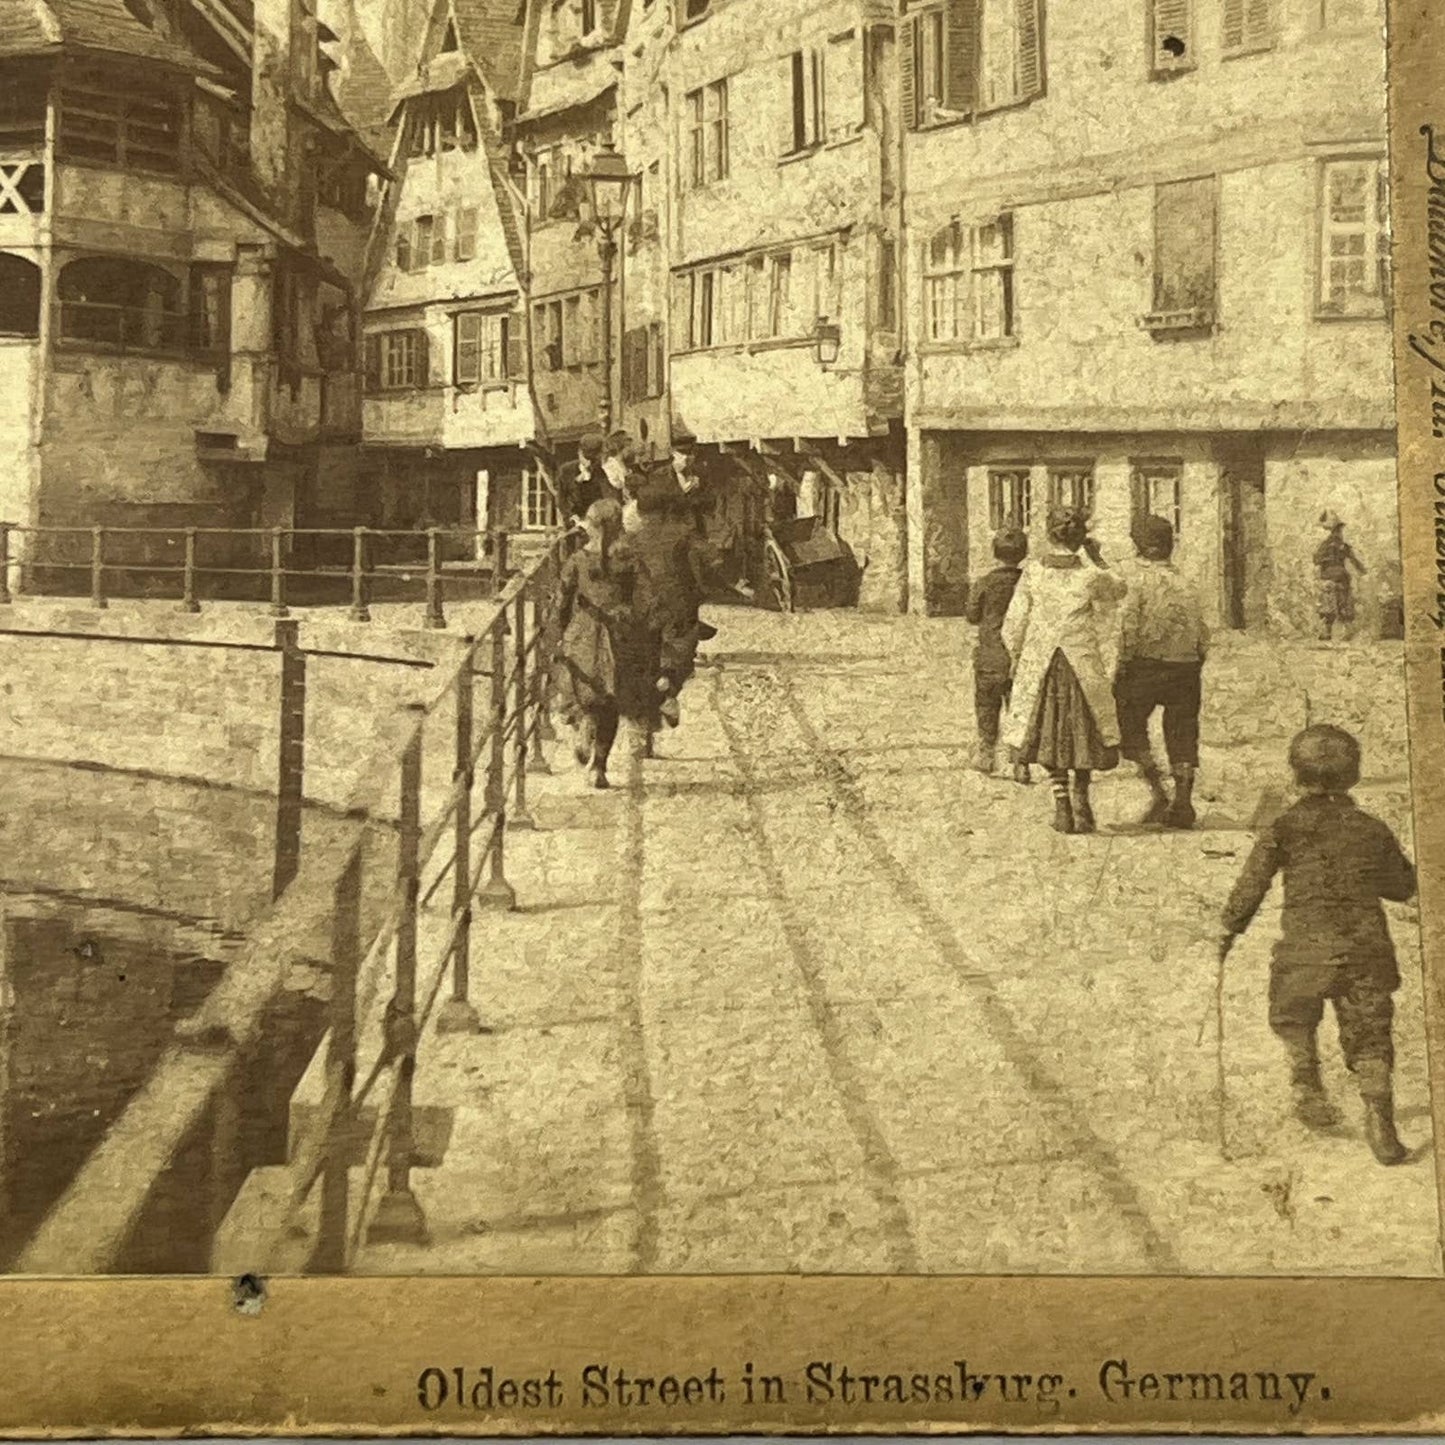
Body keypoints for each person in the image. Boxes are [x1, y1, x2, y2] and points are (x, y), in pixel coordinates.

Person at [1218, 724, 1416, 1165]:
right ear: (1356, 775)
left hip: (1305, 951)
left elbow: (1253, 884)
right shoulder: (1370, 829)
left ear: (1295, 775)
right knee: (1370, 1035)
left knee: (1292, 1014)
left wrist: (1230, 927)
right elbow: (1402, 885)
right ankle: (1379, 1116)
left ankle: (1307, 1085)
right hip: (1365, 950)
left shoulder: (1284, 826)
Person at [1000, 506, 1128, 834]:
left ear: (1048, 534)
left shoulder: (1033, 572)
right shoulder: (1091, 575)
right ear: (1081, 538)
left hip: (1043, 663)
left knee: (1049, 735)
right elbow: (1119, 591)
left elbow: (1014, 623)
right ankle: (1082, 796)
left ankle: (1061, 805)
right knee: (1083, 733)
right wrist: (1097, 558)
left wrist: (1017, 655)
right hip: (1080, 663)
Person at [551, 499, 659, 789]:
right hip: (620, 635)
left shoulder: (577, 560)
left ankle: (583, 723)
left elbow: (562, 600)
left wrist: (561, 632)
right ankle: (599, 765)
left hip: (583, 633)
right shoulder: (630, 560)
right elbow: (648, 599)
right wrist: (633, 620)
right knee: (611, 703)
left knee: (580, 687)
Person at [1113, 513, 1209, 829]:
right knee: (1182, 731)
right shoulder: (1187, 581)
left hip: (1145, 664)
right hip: (1186, 666)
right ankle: (1183, 801)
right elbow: (1203, 633)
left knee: (1129, 725)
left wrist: (1122, 663)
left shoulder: (1133, 581)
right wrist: (1193, 659)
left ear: (1141, 546)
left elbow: (1127, 625)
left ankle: (1158, 791)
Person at [964, 526, 1030, 783]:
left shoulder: (985, 582)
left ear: (994, 553)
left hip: (991, 655)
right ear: (1025, 552)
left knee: (986, 705)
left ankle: (986, 754)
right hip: (1021, 656)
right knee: (1020, 709)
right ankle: (1020, 762)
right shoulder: (1028, 581)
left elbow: (972, 615)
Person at [1314, 511, 1366, 642]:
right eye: (1338, 530)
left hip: (1333, 578)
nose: (1339, 533)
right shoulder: (1335, 546)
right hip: (1335, 578)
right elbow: (1355, 561)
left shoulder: (1326, 546)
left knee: (1336, 604)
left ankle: (1337, 632)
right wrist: (1362, 570)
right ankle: (1337, 632)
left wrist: (1362, 570)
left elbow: (1316, 560)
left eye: (1339, 531)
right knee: (1336, 604)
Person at [558, 432, 609, 525]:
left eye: (593, 459)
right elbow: (562, 499)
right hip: (574, 523)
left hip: (597, 523)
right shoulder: (566, 470)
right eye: (586, 457)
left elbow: (607, 498)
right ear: (579, 452)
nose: (589, 462)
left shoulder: (603, 472)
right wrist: (570, 516)